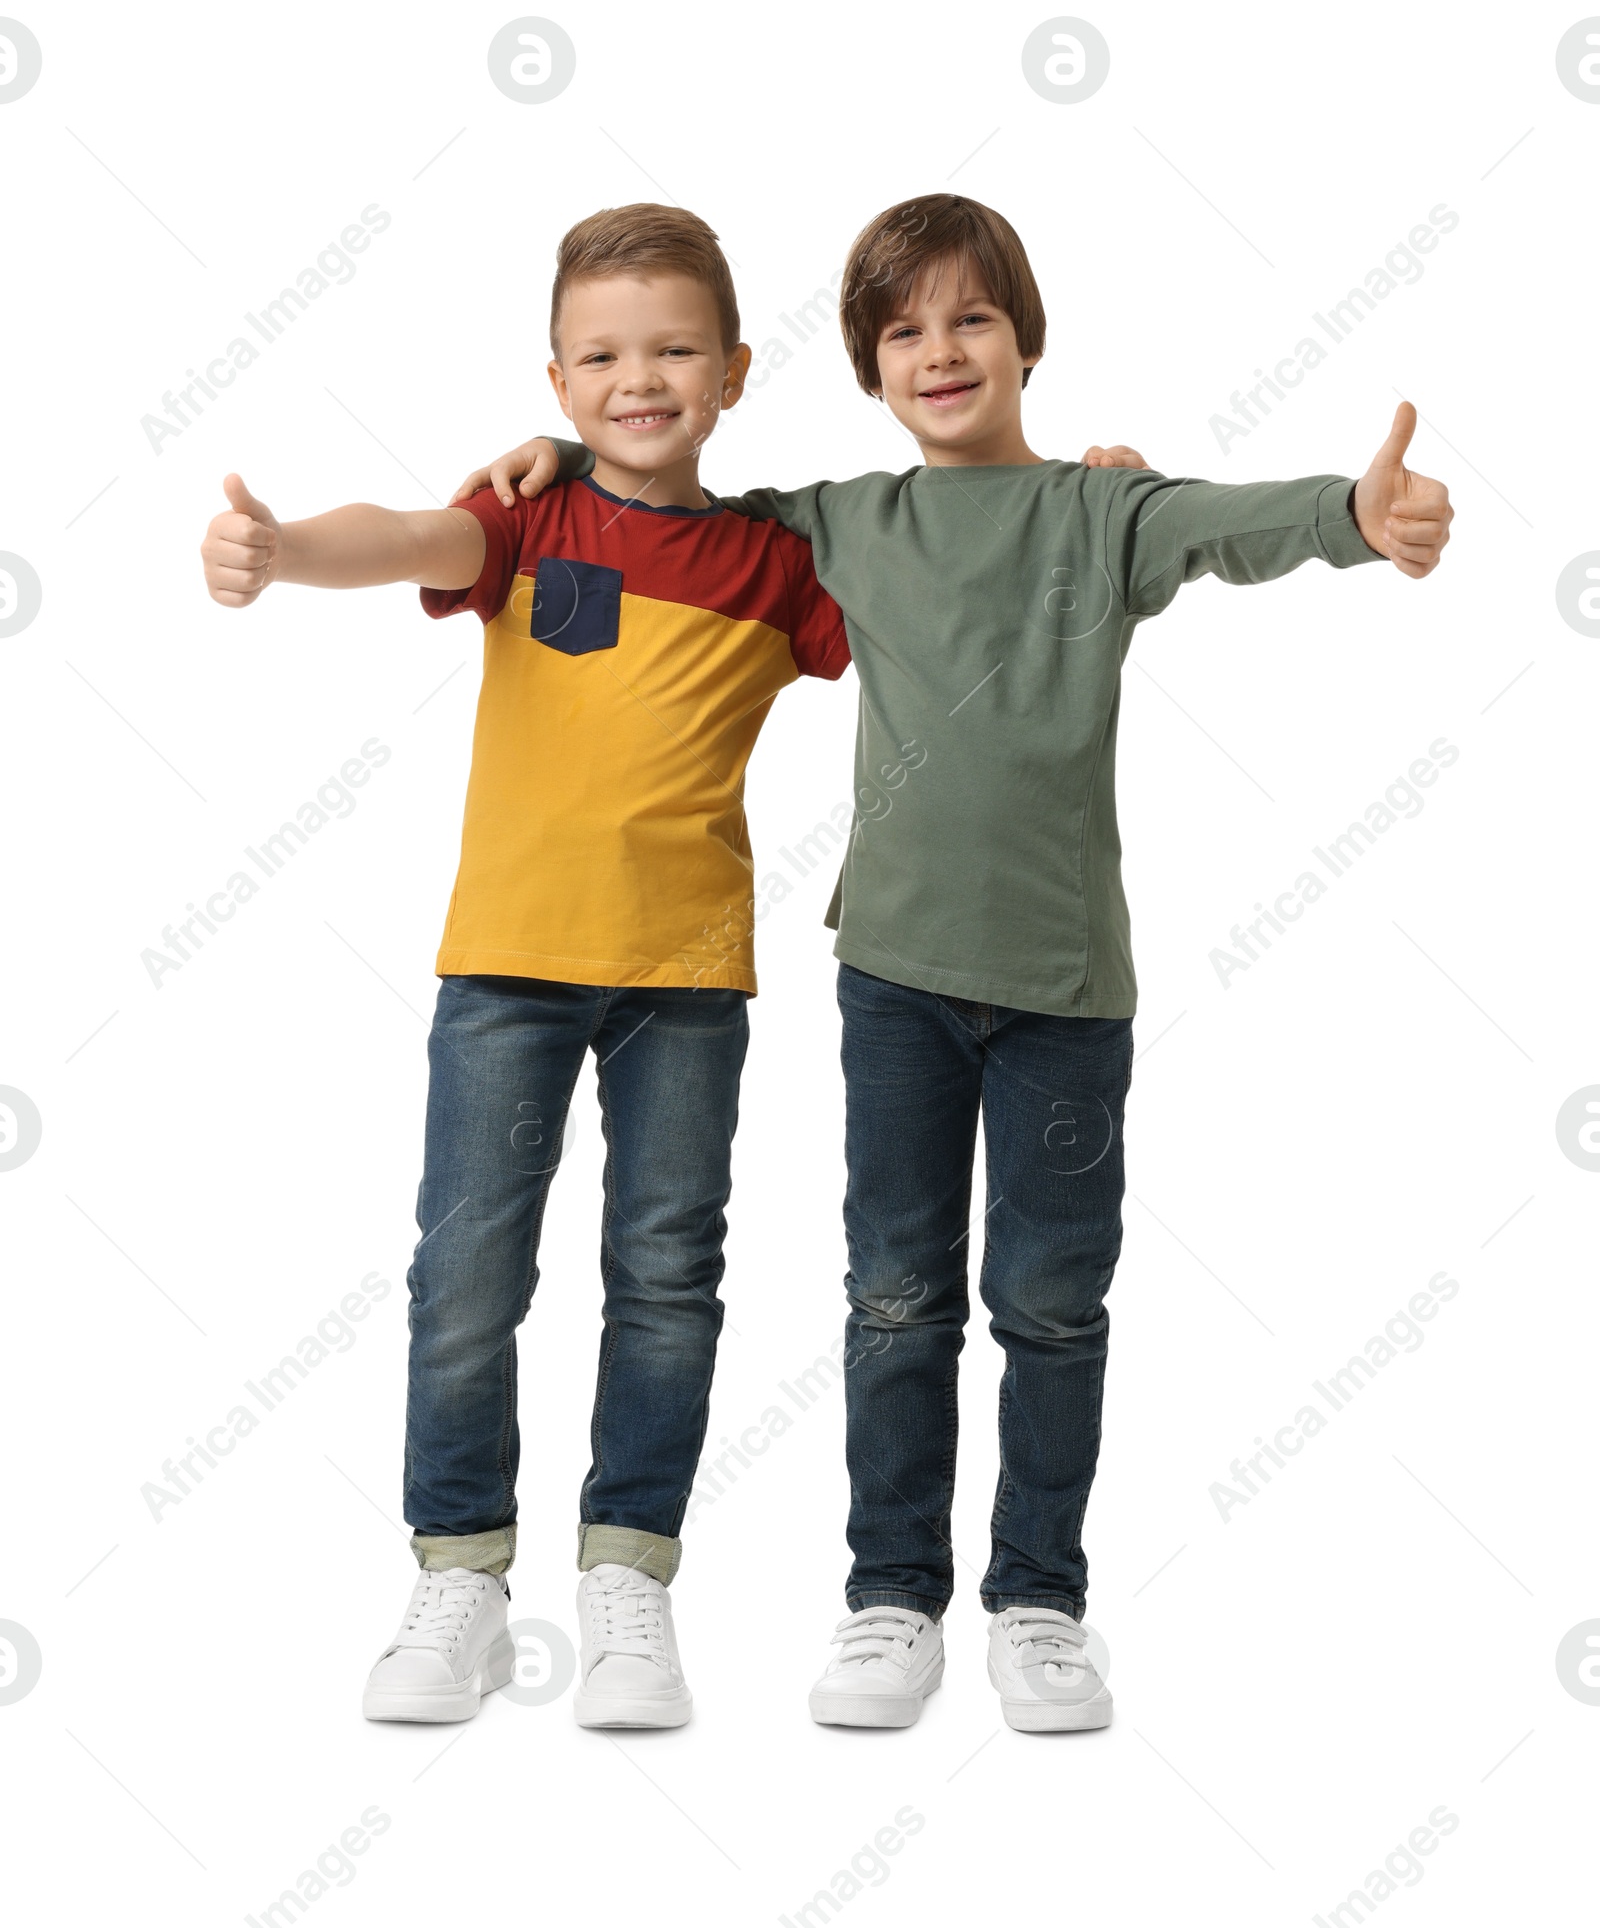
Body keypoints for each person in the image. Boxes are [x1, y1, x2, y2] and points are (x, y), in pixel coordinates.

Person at [455, 190, 1453, 1734]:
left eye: (971, 318)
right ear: (866, 367)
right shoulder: (843, 520)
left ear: (1026, 341)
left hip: (1066, 992)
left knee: (1052, 1305)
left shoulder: (1105, 516)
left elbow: (1229, 524)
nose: (940, 349)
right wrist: (561, 459)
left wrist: (1354, 519)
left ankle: (1040, 1602)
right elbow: (664, 498)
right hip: (896, 986)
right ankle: (890, 1598)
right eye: (904, 329)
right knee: (897, 1300)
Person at [197, 205, 857, 1729]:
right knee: (467, 1274)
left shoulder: (777, 564)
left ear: (738, 371)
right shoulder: (526, 518)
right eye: (606, 356)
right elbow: (406, 536)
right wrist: (288, 549)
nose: (643, 379)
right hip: (505, 968)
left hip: (689, 981)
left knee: (666, 1278)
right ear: (556, 383)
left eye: (677, 348)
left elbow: (935, 588)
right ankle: (462, 1578)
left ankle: (628, 1576)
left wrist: (1080, 499)